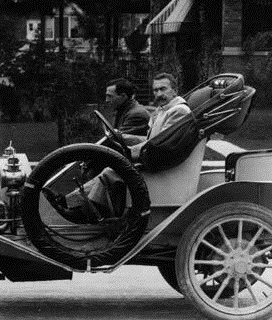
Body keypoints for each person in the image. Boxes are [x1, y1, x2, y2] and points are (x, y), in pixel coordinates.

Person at [44, 72, 191, 220]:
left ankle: (85, 211)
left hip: (161, 165)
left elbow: (161, 144)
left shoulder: (178, 111)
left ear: (174, 89)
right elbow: (152, 139)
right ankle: (72, 203)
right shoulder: (165, 109)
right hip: (154, 158)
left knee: (112, 171)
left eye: (163, 89)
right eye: (155, 90)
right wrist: (123, 139)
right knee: (111, 168)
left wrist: (131, 150)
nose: (159, 94)